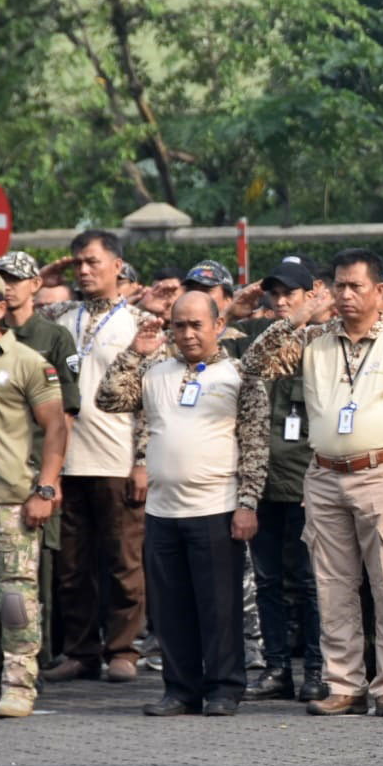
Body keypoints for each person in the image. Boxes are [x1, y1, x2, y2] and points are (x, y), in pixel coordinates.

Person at [241, 248, 383, 719]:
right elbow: (253, 363)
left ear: (381, 294)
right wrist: (303, 312)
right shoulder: (313, 339)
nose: (346, 295)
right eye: (340, 286)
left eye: (356, 286)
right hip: (326, 474)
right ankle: (344, 682)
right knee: (332, 584)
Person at [96, 292, 267, 716]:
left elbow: (255, 445)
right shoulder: (155, 370)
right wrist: (133, 354)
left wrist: (247, 502)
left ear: (218, 326)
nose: (188, 334)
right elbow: (107, 399)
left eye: (197, 325)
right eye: (180, 325)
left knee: (219, 606)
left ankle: (224, 688)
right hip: (162, 510)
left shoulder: (239, 374)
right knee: (171, 607)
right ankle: (180, 689)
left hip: (217, 506)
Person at [40, 230, 149, 685]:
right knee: (71, 567)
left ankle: (123, 650)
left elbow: (149, 396)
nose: (84, 271)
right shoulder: (63, 316)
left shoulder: (140, 322)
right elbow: (13, 310)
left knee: (125, 564)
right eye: (78, 263)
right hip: (67, 461)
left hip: (116, 458)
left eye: (93, 262)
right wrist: (45, 276)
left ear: (117, 265)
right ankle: (81, 651)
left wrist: (142, 459)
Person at [238, 260, 328, 703]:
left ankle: (316, 667)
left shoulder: (327, 340)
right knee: (268, 580)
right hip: (262, 482)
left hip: (309, 482)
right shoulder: (260, 339)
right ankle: (277, 668)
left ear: (314, 293)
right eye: (274, 293)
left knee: (311, 582)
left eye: (290, 292)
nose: (280, 301)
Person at [0, 267, 67, 718]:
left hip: (11, 498)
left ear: (1, 307)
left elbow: (55, 427)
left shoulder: (27, 362)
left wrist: (47, 488)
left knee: (16, 597)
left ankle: (18, 682)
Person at [0, 251, 80, 669]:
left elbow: (62, 417)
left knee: (27, 580)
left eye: (16, 279)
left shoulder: (49, 340)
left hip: (27, 475)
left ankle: (33, 663)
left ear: (34, 285)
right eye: (1, 279)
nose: (8, 286)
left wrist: (51, 479)